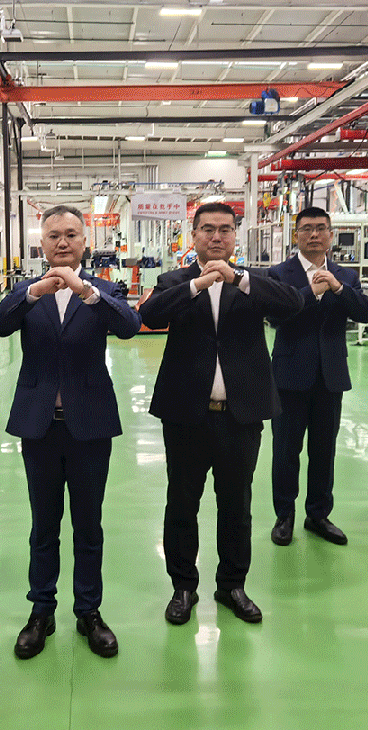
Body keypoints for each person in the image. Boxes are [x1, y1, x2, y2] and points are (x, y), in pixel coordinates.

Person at [0, 205, 141, 660]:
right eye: (54, 235)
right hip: (40, 427)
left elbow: (130, 326)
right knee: (44, 525)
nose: (63, 242)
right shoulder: (26, 293)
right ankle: (41, 611)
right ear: (42, 243)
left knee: (88, 525)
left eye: (72, 234)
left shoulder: (103, 290)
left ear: (85, 242)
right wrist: (32, 293)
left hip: (89, 425)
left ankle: (89, 611)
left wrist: (86, 291)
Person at [139, 202, 303, 626]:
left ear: (235, 236)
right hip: (185, 415)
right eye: (208, 229)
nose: (216, 237)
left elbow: (292, 305)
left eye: (225, 229)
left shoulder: (256, 281)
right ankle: (183, 586)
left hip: (240, 416)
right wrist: (197, 285)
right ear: (193, 235)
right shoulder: (174, 281)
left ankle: (232, 585)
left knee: (236, 504)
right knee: (182, 503)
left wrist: (238, 280)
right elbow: (150, 315)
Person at [266, 207, 368, 546]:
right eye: (307, 228)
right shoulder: (279, 273)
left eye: (320, 228)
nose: (314, 234)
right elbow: (275, 316)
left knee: (324, 450)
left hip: (330, 376)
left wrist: (339, 289)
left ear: (330, 234)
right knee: (286, 450)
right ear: (296, 235)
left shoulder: (345, 275)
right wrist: (310, 294)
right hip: (289, 375)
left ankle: (318, 514)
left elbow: (366, 312)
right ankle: (284, 515)